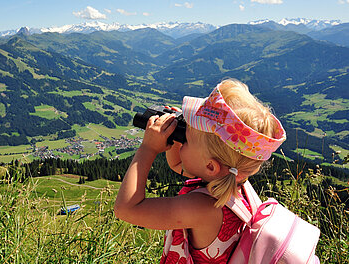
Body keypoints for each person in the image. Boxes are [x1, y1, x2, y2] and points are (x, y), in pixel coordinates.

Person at [114, 79, 286, 263]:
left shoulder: (202, 208)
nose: (183, 139)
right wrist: (177, 131)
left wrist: (148, 148)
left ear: (211, 166)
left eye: (186, 139)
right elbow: (178, 165)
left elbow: (127, 209)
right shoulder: (233, 181)